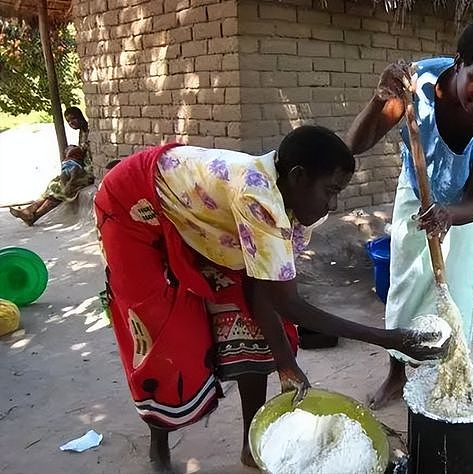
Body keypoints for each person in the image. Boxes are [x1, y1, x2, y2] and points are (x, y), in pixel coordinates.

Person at [94, 125, 447, 472]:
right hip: (132, 207)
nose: (333, 204)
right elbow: (289, 303)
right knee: (163, 334)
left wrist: (286, 363)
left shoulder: (290, 208)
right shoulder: (258, 199)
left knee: (252, 325)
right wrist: (389, 339)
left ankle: (252, 443)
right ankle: (159, 446)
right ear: (297, 176)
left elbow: (264, 293)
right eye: (330, 191)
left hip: (203, 222)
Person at [345, 17, 473, 409]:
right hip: (417, 193)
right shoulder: (416, 88)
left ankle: (450, 374)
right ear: (459, 62)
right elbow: (356, 144)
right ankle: (395, 373)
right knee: (407, 288)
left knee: (456, 295)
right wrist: (379, 99)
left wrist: (448, 215)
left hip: (461, 210)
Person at [10, 106, 94, 226]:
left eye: (73, 119)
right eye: (68, 121)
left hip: (89, 171)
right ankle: (30, 210)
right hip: (81, 167)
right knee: (53, 183)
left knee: (62, 187)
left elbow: (87, 153)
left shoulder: (90, 130)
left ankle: (34, 215)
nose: (71, 123)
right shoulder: (82, 132)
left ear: (80, 116)